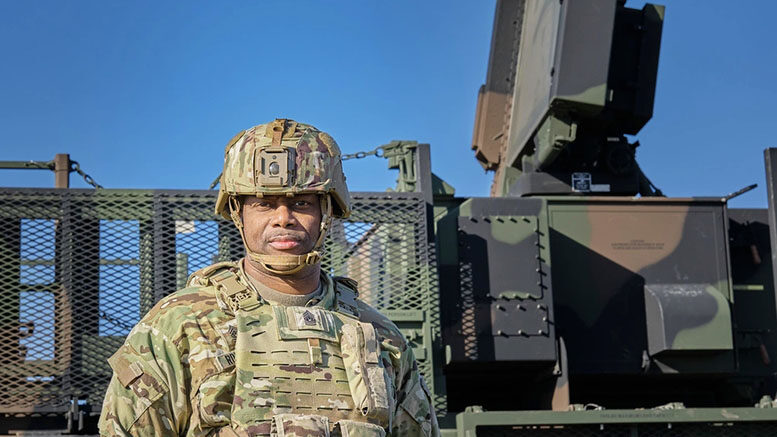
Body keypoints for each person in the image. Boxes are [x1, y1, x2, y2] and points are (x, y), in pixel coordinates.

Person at [98, 119, 440, 437]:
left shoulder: (381, 338)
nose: (283, 219)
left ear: (328, 211)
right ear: (238, 212)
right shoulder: (178, 326)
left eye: (302, 203)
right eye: (263, 204)